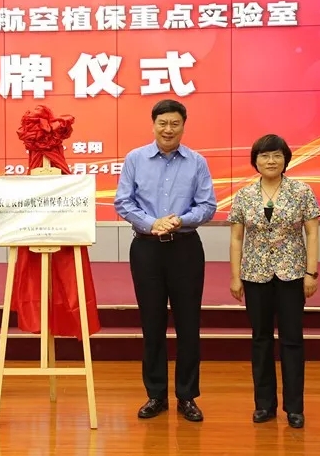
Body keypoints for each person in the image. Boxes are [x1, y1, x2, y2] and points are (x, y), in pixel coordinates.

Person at [113, 99, 218, 421]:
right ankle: (155, 395)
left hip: (185, 248)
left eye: (174, 124)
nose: (168, 129)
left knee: (189, 324)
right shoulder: (135, 159)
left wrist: (180, 220)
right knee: (152, 323)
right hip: (146, 249)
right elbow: (123, 202)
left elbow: (208, 205)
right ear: (153, 124)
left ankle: (187, 396)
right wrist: (152, 223)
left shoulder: (197, 162)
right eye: (163, 123)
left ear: (183, 126)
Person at [227, 134, 320, 429]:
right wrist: (235, 276)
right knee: (261, 339)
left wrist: (311, 273)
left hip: (292, 274)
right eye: (265, 156)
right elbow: (236, 238)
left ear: (286, 159)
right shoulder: (244, 195)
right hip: (255, 275)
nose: (271, 161)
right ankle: (264, 405)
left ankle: (294, 407)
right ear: (255, 161)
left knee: (292, 340)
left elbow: (312, 233)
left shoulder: (301, 191)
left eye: (277, 155)